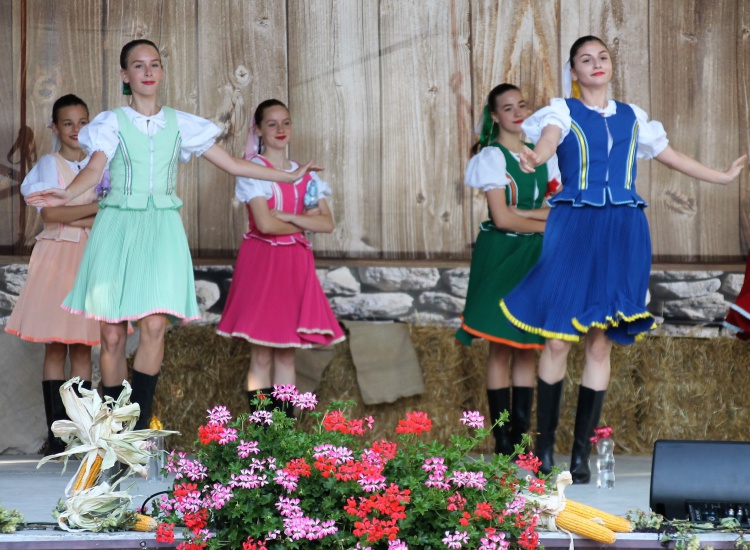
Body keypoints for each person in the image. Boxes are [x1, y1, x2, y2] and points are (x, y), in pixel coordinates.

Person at [26, 40, 321, 430]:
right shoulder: (111, 122)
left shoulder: (181, 123)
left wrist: (287, 175)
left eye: (154, 64)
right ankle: (114, 431)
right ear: (125, 75)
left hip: (161, 228)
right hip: (116, 226)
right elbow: (95, 171)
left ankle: (137, 428)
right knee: (111, 336)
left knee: (153, 327)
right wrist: (66, 193)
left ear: (161, 72)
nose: (148, 71)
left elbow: (233, 165)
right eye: (138, 65)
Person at [500, 35, 747, 482]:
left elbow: (672, 157)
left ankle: (580, 458)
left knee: (600, 342)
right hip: (575, 226)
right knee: (557, 340)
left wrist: (722, 177)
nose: (596, 64)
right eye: (586, 59)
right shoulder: (561, 111)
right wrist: (537, 157)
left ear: (611, 66)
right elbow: (549, 142)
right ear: (573, 71)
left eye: (603, 57)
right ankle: (544, 451)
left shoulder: (634, 117)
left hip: (623, 230)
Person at [216, 99, 345, 414]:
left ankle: (283, 430)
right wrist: (303, 222)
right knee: (261, 354)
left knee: (287, 353)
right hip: (262, 263)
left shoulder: (307, 176)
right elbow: (265, 224)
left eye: (285, 122)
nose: (280, 129)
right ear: (259, 130)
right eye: (271, 124)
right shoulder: (253, 171)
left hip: (295, 265)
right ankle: (263, 429)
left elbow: (327, 224)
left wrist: (288, 216)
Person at [455, 84, 560, 455]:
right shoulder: (492, 156)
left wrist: (528, 215)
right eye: (508, 107)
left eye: (522, 105)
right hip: (502, 254)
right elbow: (501, 219)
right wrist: (545, 225)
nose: (517, 113)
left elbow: (560, 208)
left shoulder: (543, 154)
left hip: (534, 255)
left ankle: (520, 435)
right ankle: (501, 437)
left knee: (527, 346)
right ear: (495, 116)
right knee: (500, 347)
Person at [6, 94, 100, 454]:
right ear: (55, 128)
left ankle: (82, 434)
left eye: (83, 122)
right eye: (67, 123)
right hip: (56, 258)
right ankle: (56, 436)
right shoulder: (49, 165)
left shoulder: (99, 164)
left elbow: (109, 213)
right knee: (56, 346)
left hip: (90, 257)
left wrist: (75, 212)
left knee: (83, 348)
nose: (76, 129)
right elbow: (51, 216)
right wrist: (95, 209)